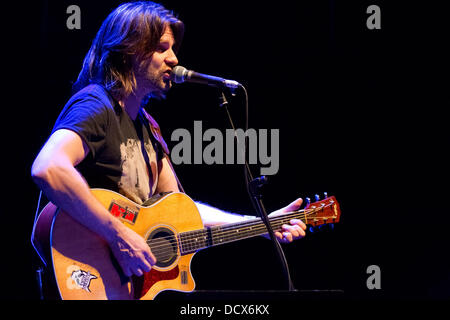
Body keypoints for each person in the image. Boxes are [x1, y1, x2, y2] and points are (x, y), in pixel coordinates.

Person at [31, 1, 306, 283]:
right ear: (129, 51)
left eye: (172, 48)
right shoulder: (96, 105)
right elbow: (48, 168)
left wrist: (263, 225)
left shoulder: (148, 126)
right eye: (162, 48)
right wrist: (119, 234)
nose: (174, 58)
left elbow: (180, 210)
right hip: (86, 273)